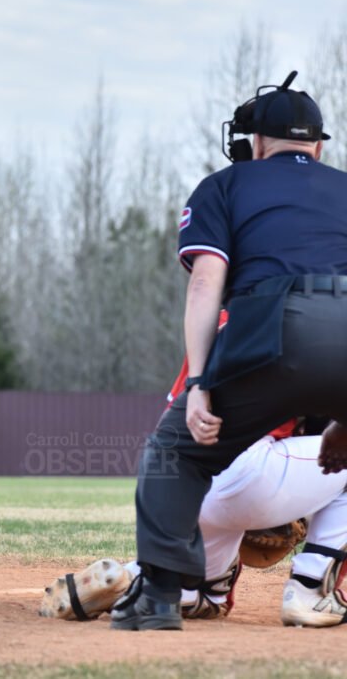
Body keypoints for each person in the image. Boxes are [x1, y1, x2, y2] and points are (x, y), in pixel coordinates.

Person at [113, 72, 347, 631]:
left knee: (179, 452)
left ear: (256, 143)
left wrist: (199, 382)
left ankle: (163, 598)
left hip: (272, 326)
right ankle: (318, 582)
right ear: (317, 146)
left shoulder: (226, 184)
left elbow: (205, 284)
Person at [42, 349, 347, 626]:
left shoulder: (213, 328)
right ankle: (312, 587)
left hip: (183, 483)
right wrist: (296, 510)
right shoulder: (308, 324)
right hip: (250, 479)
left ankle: (135, 578)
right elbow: (333, 439)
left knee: (208, 598)